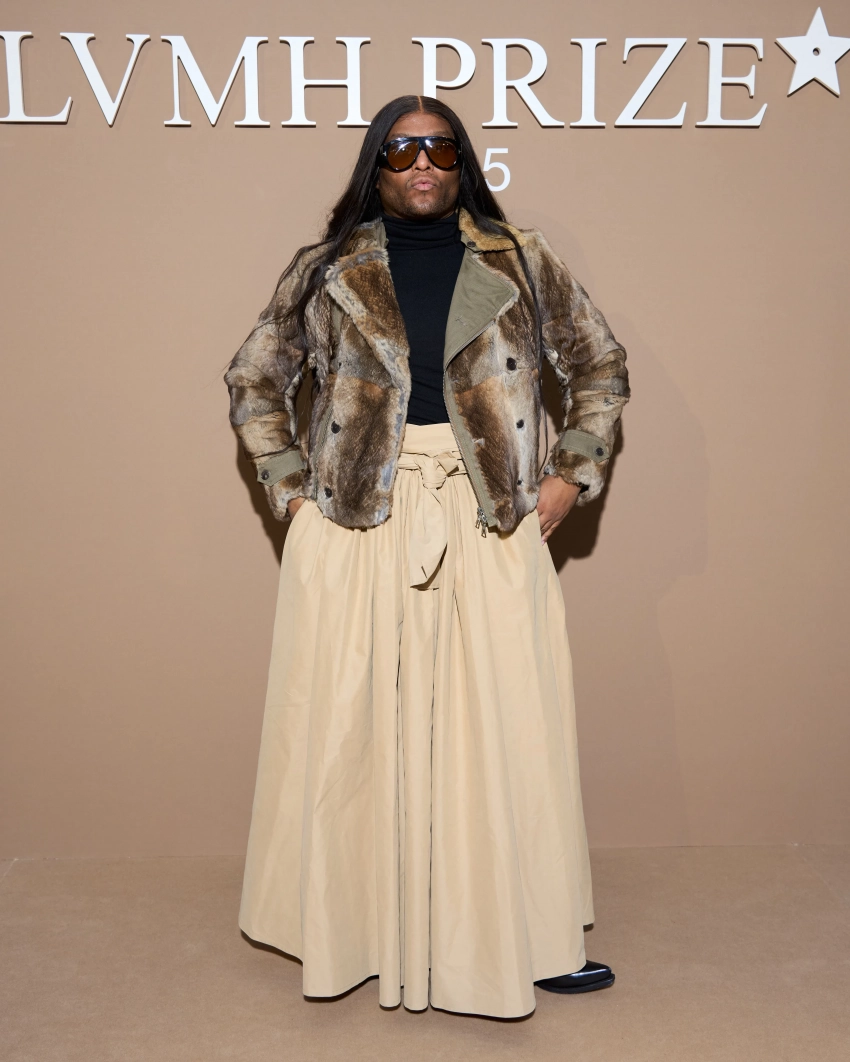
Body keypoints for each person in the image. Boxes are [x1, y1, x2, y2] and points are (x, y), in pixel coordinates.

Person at [225, 95, 629, 1019]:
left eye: (440, 151)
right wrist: (293, 493)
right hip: (359, 515)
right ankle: (356, 932)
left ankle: (529, 936)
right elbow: (255, 378)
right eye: (403, 149)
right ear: (377, 165)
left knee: (506, 727)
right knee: (355, 730)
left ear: (462, 164)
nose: (421, 165)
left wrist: (570, 474)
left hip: (490, 510)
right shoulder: (326, 268)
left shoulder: (520, 258)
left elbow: (599, 367)